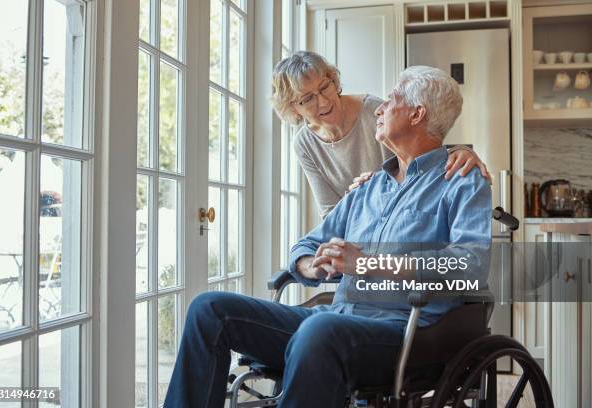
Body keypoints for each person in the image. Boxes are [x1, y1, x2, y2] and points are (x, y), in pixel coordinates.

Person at [164, 66, 491, 407]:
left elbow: (470, 266)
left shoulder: (462, 180)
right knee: (210, 309)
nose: (379, 108)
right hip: (335, 320)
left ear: (417, 113)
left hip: (406, 333)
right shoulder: (369, 187)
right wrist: (309, 265)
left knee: (319, 333)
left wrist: (368, 264)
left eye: (391, 100)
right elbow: (306, 244)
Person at [271, 51, 490, 218]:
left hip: (404, 218)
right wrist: (358, 199)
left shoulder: (373, 110)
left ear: (332, 79)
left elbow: (420, 149)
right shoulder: (304, 144)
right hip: (363, 232)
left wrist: (457, 151)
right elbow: (331, 214)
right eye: (307, 98)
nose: (323, 100)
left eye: (324, 87)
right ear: (293, 108)